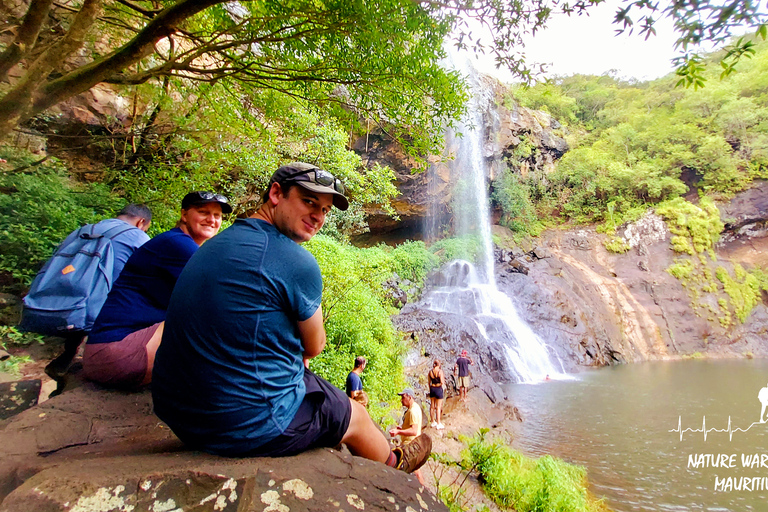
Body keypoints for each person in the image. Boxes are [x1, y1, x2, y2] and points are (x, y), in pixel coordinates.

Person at [152, 162, 431, 475]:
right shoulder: (296, 261)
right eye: (309, 202)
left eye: (325, 210)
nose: (318, 217)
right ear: (275, 193)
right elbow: (314, 346)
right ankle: (395, 466)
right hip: (238, 425)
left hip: (177, 412)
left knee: (313, 383)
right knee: (353, 415)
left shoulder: (214, 243)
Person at [82, 191, 230, 389]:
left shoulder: (177, 242)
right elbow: (222, 296)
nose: (211, 220)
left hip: (111, 352)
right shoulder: (177, 244)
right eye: (203, 212)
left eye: (217, 215)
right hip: (117, 353)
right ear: (184, 215)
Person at [43, 204, 153, 383]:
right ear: (141, 222)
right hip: (106, 302)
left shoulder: (85, 230)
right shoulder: (138, 236)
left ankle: (66, 359)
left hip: (68, 297)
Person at [389, 388, 426, 484]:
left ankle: (423, 491)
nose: (401, 400)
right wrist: (402, 429)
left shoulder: (412, 411)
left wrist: (398, 432)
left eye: (403, 397)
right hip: (416, 442)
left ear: (409, 397)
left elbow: (413, 431)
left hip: (410, 445)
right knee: (416, 471)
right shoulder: (416, 407)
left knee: (409, 470)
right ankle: (424, 490)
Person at [428, 360, 445, 429]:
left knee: (432, 406)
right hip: (438, 388)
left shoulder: (430, 372)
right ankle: (438, 423)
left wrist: (431, 389)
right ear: (439, 364)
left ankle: (432, 422)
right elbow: (442, 381)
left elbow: (429, 382)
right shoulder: (440, 371)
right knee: (438, 407)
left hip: (432, 388)